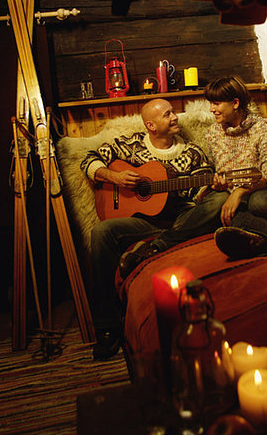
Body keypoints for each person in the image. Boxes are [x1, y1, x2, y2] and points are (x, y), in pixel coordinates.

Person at [80, 97, 228, 360]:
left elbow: (201, 192)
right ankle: (107, 327)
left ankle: (162, 243)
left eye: (174, 112)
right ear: (150, 125)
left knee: (219, 200)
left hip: (182, 220)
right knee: (100, 233)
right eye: (168, 114)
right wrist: (113, 176)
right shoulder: (130, 146)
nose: (175, 118)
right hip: (144, 223)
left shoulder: (192, 152)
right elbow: (88, 160)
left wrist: (211, 187)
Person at [204, 75, 267, 259]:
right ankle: (260, 241)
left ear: (235, 103)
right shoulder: (212, 134)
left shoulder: (265, 128)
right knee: (226, 205)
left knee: (258, 202)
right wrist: (217, 184)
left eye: (216, 103)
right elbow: (214, 169)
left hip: (266, 191)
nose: (212, 109)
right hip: (234, 195)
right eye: (211, 103)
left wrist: (240, 191)